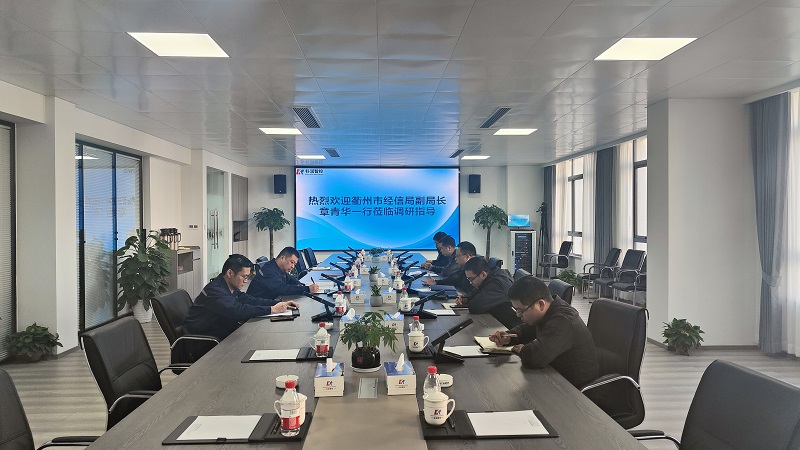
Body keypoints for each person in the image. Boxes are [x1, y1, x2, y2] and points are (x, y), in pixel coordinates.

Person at [489, 275, 598, 388]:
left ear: (540, 304)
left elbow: (535, 358)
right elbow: (526, 329)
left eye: (521, 311)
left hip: (574, 389)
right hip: (554, 374)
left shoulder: (563, 320)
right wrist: (508, 337)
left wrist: (523, 349)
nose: (518, 315)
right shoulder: (549, 311)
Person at [183, 254, 299, 341]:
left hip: (223, 334)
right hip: (205, 342)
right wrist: (271, 309)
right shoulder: (215, 291)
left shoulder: (227, 286)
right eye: (244, 276)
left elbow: (249, 299)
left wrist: (276, 303)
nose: (246, 281)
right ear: (230, 273)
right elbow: (237, 310)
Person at [457, 257, 521, 328]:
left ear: (483, 274)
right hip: (497, 318)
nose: (470, 283)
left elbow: (475, 306)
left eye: (471, 279)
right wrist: (465, 298)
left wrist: (469, 300)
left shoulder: (498, 283)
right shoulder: (491, 273)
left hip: (508, 325)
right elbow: (480, 290)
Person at [247, 247, 319, 299]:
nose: (293, 266)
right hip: (256, 308)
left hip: (268, 303)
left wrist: (300, 285)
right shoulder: (269, 271)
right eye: (292, 262)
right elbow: (282, 289)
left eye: (294, 264)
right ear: (282, 258)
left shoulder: (279, 268)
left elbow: (290, 279)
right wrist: (307, 289)